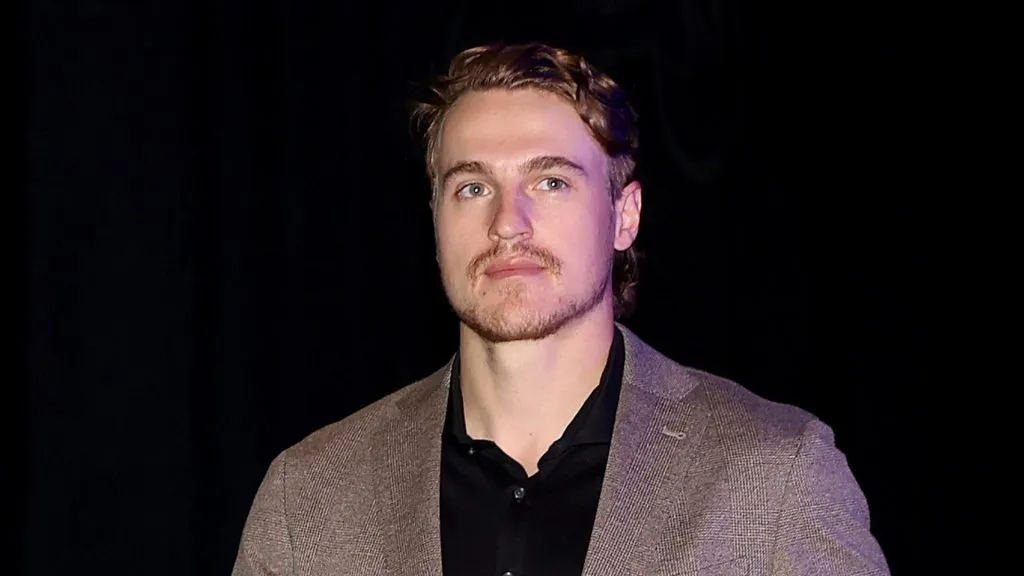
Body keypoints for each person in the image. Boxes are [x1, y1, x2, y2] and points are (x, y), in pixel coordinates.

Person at [231, 42, 890, 576]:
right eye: (471, 186)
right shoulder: (309, 495)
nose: (507, 223)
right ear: (434, 221)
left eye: (550, 182)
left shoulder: (776, 475)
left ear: (624, 216)